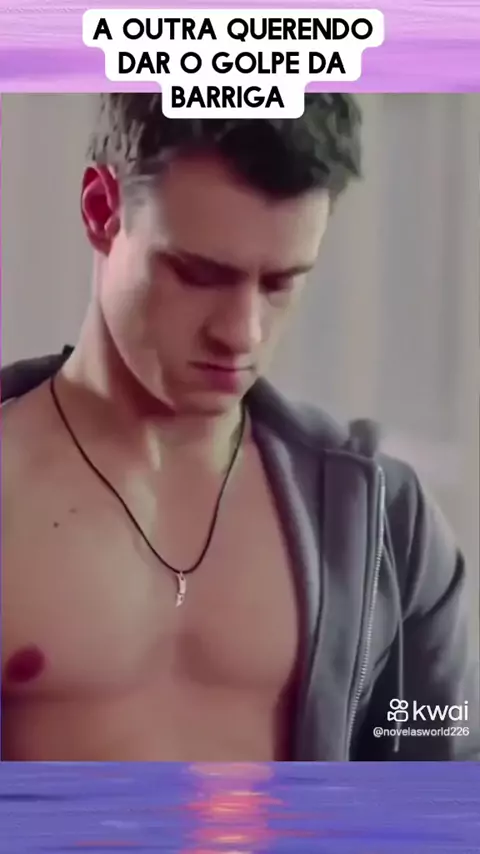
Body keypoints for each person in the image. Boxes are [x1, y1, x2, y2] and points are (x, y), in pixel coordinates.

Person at [1, 94, 478, 762]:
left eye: (280, 283)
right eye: (198, 274)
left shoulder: (386, 524)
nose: (241, 333)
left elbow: (443, 785)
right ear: (103, 209)